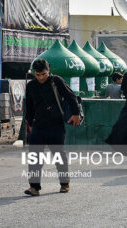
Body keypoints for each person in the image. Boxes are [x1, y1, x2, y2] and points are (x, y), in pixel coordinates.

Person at [24, 59, 81, 196]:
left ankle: (64, 183)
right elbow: (30, 107)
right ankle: (34, 187)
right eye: (38, 75)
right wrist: (30, 124)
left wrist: (76, 114)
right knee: (34, 157)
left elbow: (71, 96)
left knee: (58, 156)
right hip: (38, 125)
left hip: (56, 125)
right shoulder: (31, 86)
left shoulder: (56, 81)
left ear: (48, 71)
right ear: (34, 73)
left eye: (43, 74)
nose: (41, 77)